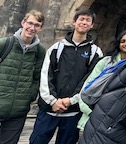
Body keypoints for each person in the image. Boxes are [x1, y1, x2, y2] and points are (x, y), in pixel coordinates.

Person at [0, 10, 46, 144]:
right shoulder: (3, 44)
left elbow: (37, 79)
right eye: (30, 23)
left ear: (40, 28)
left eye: (37, 25)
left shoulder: (40, 51)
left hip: (17, 112)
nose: (32, 28)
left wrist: (28, 97)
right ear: (23, 23)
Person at [30, 9, 103, 144]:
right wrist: (52, 101)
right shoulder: (56, 48)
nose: (84, 22)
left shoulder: (95, 53)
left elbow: (90, 81)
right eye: (81, 19)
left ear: (92, 25)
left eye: (88, 20)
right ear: (74, 22)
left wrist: (71, 100)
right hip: (49, 109)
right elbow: (46, 75)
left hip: (73, 111)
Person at [77, 29, 126, 131]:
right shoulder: (106, 62)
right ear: (118, 44)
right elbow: (87, 88)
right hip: (92, 117)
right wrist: (91, 112)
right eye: (123, 41)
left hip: (116, 123)